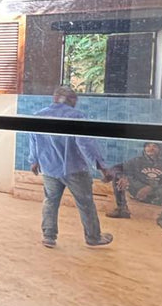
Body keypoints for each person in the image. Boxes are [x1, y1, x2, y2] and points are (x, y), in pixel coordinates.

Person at [28, 86, 114, 248]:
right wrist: (102, 167)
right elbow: (86, 144)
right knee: (85, 203)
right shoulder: (76, 116)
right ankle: (93, 237)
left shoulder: (39, 116)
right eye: (75, 99)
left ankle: (48, 237)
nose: (76, 102)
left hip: (49, 168)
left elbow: (33, 141)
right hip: (75, 169)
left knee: (50, 201)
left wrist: (34, 161)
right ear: (71, 99)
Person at [107, 142, 162, 230]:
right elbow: (115, 168)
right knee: (118, 177)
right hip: (138, 192)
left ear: (160, 149)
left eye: (154, 146)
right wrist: (123, 176)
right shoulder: (136, 161)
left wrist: (151, 188)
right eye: (148, 146)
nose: (151, 148)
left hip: (157, 196)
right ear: (144, 148)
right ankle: (122, 209)